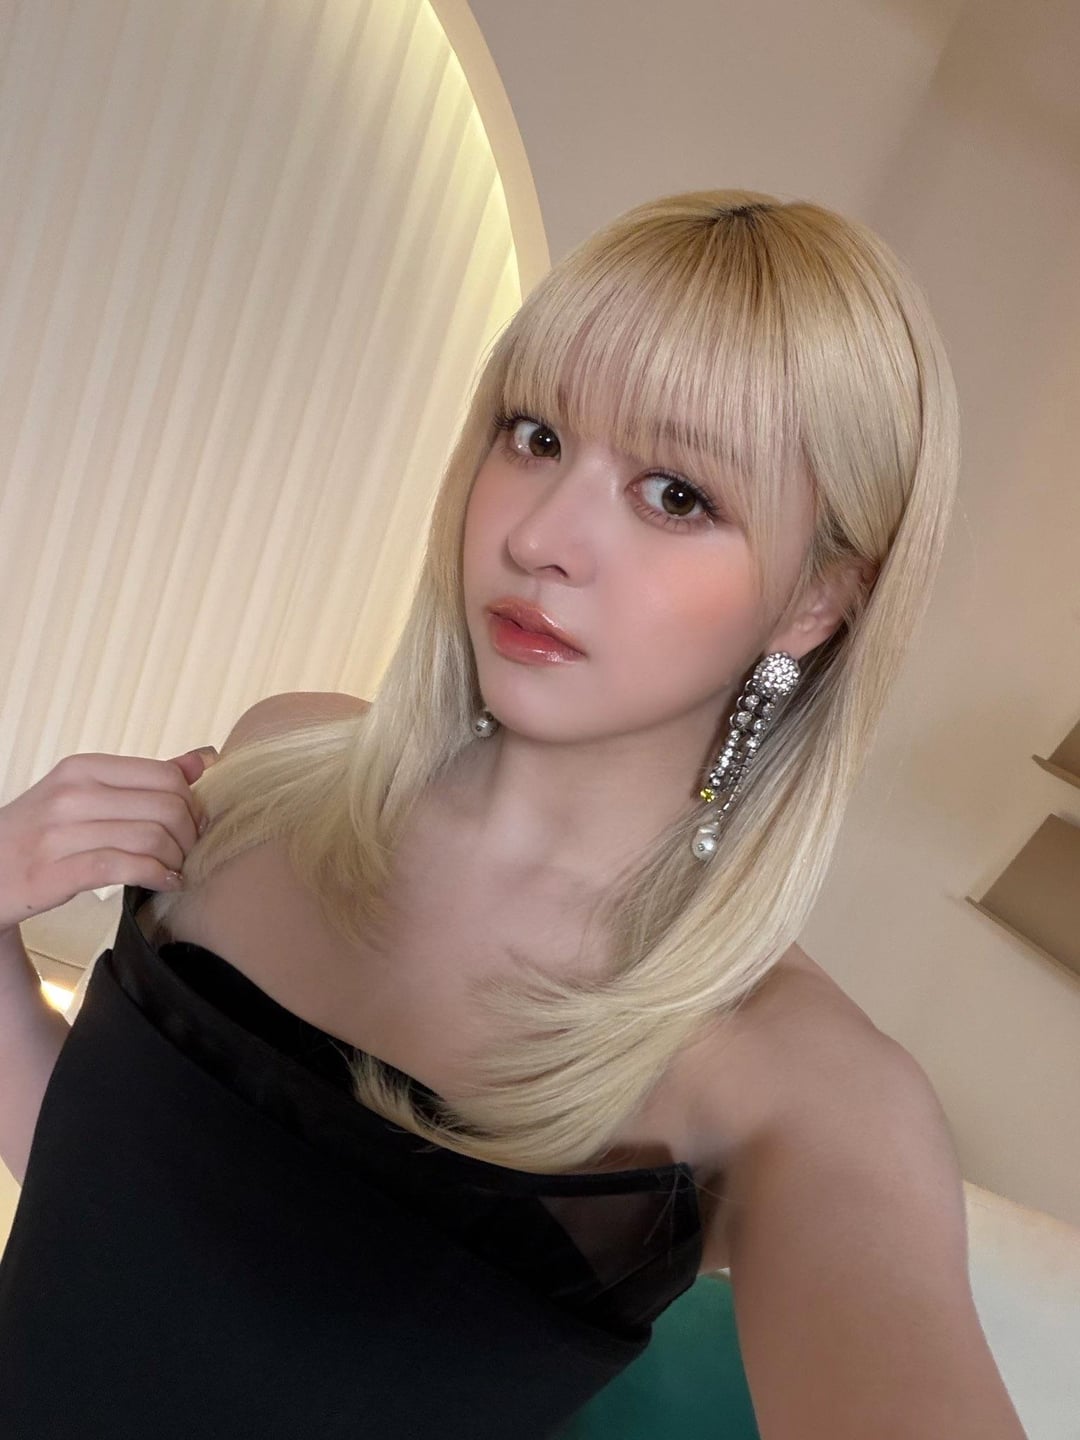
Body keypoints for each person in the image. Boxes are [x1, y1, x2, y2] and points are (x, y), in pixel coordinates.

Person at [0, 189, 1027, 1438]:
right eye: (535, 435)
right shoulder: (277, 765)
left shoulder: (799, 1090)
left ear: (817, 600)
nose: (540, 536)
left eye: (676, 495)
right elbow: (116, 1230)